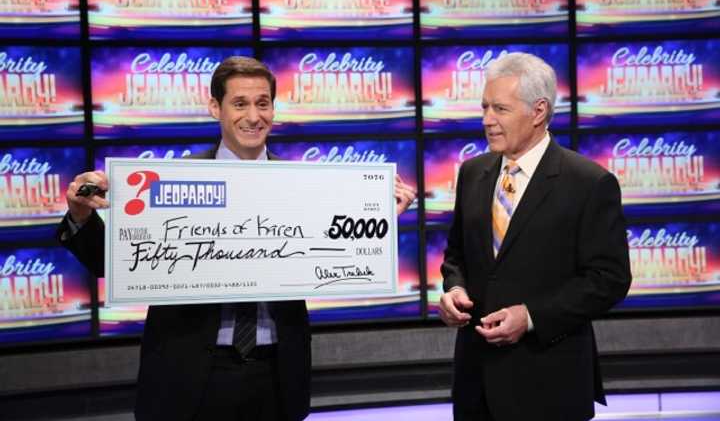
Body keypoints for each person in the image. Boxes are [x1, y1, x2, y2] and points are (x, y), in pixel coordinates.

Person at [58, 56, 416, 421]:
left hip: (275, 376)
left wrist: (380, 219)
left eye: (263, 103)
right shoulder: (170, 181)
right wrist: (82, 214)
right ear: (215, 107)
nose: (253, 116)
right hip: (189, 376)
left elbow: (342, 253)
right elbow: (109, 264)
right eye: (240, 103)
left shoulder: (307, 186)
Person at [438, 52, 631, 421]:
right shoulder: (472, 173)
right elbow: (455, 255)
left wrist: (530, 317)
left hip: (549, 385)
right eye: (484, 108)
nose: (487, 121)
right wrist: (454, 290)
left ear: (539, 111)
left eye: (500, 109)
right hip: (475, 386)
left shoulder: (588, 183)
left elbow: (609, 280)